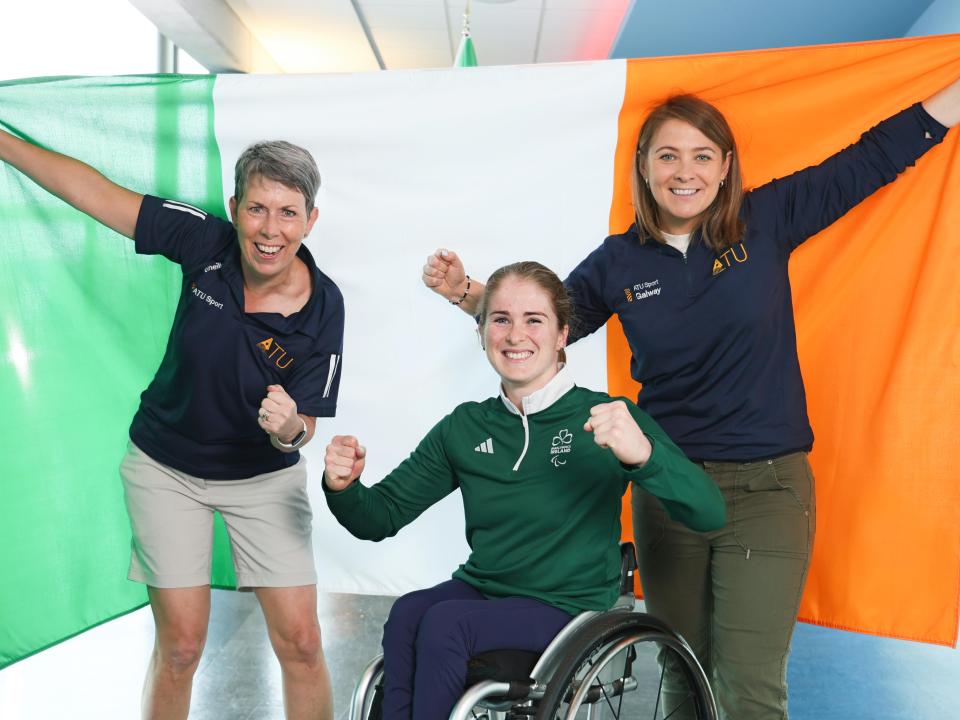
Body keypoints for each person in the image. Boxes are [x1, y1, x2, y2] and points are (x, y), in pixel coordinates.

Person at [420, 79, 960, 719]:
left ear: (726, 166)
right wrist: (467, 293)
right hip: (668, 486)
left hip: (768, 490)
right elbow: (540, 323)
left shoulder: (765, 220)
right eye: (668, 155)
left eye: (703, 154)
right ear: (644, 168)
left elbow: (871, 158)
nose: (685, 172)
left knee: (749, 691)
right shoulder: (620, 262)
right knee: (681, 672)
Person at [0, 129, 344, 720]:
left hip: (263, 478)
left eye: (288, 213)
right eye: (257, 208)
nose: (270, 230)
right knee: (181, 647)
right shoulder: (204, 241)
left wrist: (288, 428)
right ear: (234, 210)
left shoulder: (325, 305)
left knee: (304, 645)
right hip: (166, 468)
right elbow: (95, 193)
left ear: (310, 220)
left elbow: (304, 425)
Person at [323, 261, 725, 720]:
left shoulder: (606, 415)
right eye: (501, 319)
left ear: (561, 336)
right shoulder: (466, 426)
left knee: (444, 625)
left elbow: (710, 512)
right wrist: (344, 487)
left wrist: (644, 454)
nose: (516, 335)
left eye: (534, 320)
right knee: (408, 613)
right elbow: (381, 516)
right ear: (481, 332)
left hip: (568, 605)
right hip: (486, 588)